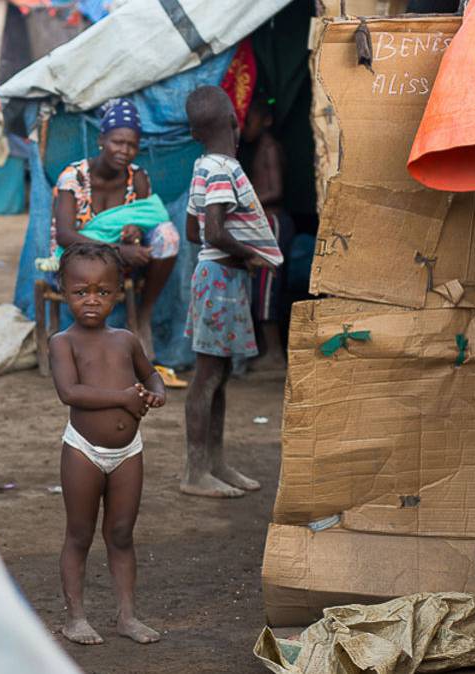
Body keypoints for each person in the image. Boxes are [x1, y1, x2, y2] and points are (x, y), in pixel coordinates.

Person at [48, 242, 165, 646]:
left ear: (118, 292)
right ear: (63, 291)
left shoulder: (126, 340)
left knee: (121, 533)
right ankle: (75, 618)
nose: (92, 300)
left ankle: (127, 616)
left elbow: (151, 375)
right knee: (79, 534)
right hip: (83, 451)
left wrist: (157, 393)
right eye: (81, 292)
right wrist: (123, 398)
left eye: (102, 291)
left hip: (128, 453)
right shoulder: (63, 342)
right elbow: (69, 392)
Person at [181, 86, 283, 499]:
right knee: (208, 376)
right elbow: (213, 232)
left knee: (218, 374)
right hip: (221, 280)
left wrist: (232, 252)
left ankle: (214, 463)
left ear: (194, 134)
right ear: (233, 123)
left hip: (217, 277)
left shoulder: (202, 167)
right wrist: (251, 254)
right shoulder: (223, 169)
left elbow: (193, 231)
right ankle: (195, 471)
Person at [51, 100, 180, 359]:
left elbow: (143, 221)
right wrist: (118, 250)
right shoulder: (74, 177)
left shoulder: (138, 178)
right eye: (117, 142)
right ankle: (88, 348)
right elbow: (65, 235)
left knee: (167, 236)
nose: (124, 151)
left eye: (132, 145)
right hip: (76, 260)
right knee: (90, 270)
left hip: (121, 263)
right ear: (101, 140)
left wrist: (134, 231)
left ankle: (144, 315)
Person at [239, 97, 290, 372]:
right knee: (260, 288)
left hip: (272, 222)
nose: (245, 126)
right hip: (262, 224)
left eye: (250, 120)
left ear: (266, 120)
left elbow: (276, 190)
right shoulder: (256, 148)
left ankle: (275, 354)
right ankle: (267, 351)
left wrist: (244, 201)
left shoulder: (268, 147)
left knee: (267, 289)